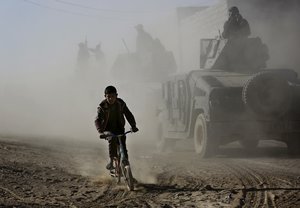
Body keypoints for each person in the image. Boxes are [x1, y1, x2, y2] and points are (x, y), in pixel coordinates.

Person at [95, 86, 139, 170]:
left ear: (116, 95)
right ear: (105, 96)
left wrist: (133, 126)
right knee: (112, 140)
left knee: (123, 145)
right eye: (108, 97)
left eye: (113, 96)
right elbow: (97, 120)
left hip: (119, 128)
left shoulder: (121, 103)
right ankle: (111, 161)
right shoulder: (102, 106)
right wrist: (100, 132)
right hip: (108, 130)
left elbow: (128, 114)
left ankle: (127, 167)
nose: (111, 99)